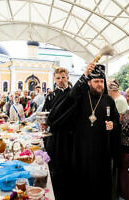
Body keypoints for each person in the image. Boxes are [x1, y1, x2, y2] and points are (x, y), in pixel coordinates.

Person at [51, 63, 121, 200]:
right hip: (81, 151)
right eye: (96, 81)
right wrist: (83, 75)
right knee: (82, 185)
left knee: (101, 185)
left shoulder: (109, 100)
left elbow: (116, 121)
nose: (99, 84)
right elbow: (69, 98)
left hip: (102, 152)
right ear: (89, 82)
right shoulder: (81, 98)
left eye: (101, 81)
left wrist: (113, 125)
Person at [40, 67, 72, 200]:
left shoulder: (73, 94)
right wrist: (43, 122)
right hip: (54, 135)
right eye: (58, 78)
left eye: (63, 77)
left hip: (70, 135)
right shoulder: (51, 96)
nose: (61, 80)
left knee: (68, 163)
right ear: (54, 79)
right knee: (54, 162)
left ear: (68, 78)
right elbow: (44, 112)